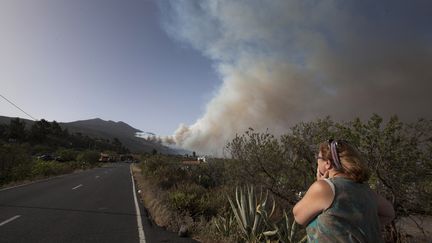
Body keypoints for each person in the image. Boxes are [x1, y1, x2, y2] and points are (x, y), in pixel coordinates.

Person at [293, 139, 395, 242]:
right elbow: (389, 213)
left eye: (318, 158)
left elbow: (298, 216)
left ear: (327, 163)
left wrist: (320, 184)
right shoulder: (366, 190)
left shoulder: (324, 188)